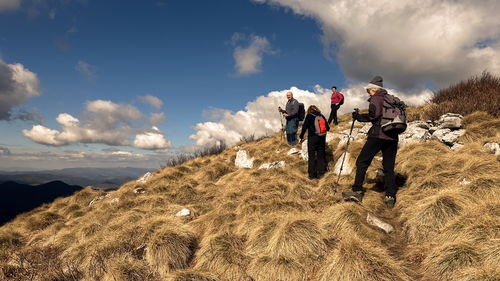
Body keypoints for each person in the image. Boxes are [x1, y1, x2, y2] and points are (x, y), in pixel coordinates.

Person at [342, 76, 399, 208]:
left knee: (362, 161)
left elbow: (374, 115)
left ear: (373, 89)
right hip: (393, 136)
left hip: (378, 135)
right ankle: (390, 195)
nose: (368, 93)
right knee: (388, 167)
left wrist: (358, 117)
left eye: (368, 90)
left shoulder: (376, 98)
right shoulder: (390, 99)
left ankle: (356, 191)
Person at [299, 105, 330, 179]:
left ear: (309, 110)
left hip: (312, 138)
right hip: (322, 137)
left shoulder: (309, 115)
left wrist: (301, 136)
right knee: (321, 155)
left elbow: (304, 127)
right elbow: (328, 128)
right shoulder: (321, 115)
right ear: (317, 109)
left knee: (312, 156)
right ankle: (321, 174)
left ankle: (312, 175)